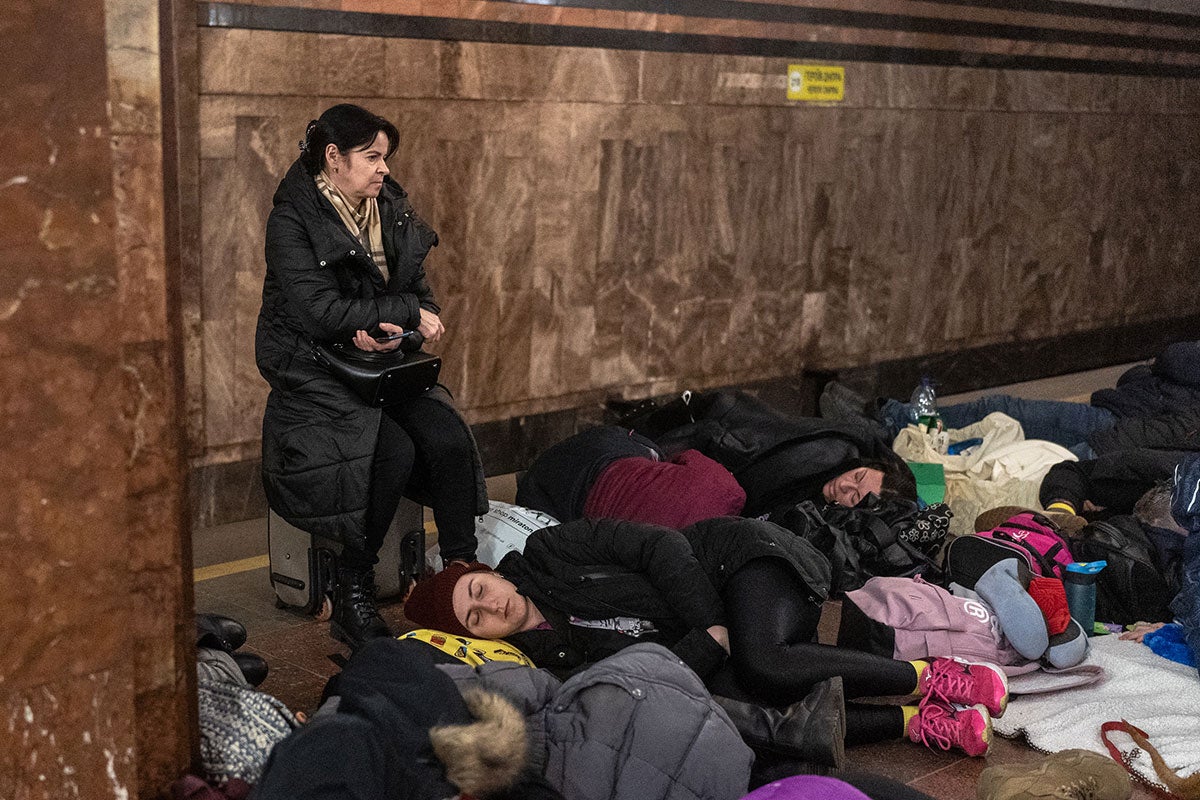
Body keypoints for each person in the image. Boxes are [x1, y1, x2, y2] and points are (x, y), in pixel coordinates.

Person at [405, 516, 1009, 758]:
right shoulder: (541, 664)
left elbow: (657, 544)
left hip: (732, 562)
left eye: (479, 589)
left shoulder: (547, 554)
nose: (491, 605)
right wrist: (705, 647)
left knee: (763, 660)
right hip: (709, 640)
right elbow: (637, 683)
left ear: (484, 571)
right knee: (747, 714)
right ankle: (924, 721)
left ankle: (933, 675)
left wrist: (710, 626)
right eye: (474, 618)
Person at [256, 104, 487, 648]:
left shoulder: (390, 208)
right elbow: (317, 314)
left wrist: (396, 331)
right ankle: (352, 586)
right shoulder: (293, 218)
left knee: (448, 436)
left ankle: (462, 572)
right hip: (310, 366)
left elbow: (419, 297)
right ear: (333, 158)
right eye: (372, 158)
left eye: (386, 158)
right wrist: (398, 315)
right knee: (391, 451)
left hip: (375, 363)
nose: (383, 169)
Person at [630, 389, 917, 516]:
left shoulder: (830, 505)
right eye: (857, 476)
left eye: (853, 496)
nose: (844, 484)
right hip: (712, 430)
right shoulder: (828, 455)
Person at [514, 425, 746, 526]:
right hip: (555, 495)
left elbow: (684, 455)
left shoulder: (731, 491)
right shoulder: (688, 560)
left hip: (604, 446)